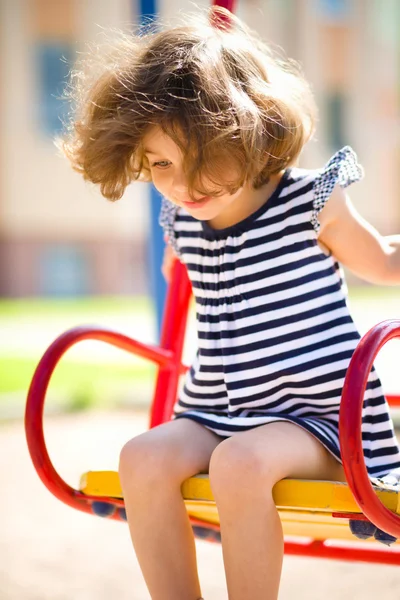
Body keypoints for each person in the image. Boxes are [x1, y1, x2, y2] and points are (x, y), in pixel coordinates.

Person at [62, 7, 400, 600]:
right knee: (141, 458)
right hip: (219, 411)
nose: (184, 185)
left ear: (252, 131)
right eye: (161, 164)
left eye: (203, 158)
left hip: (320, 422)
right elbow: (197, 279)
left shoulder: (311, 202)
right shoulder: (182, 221)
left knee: (239, 466)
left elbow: (384, 263)